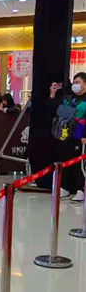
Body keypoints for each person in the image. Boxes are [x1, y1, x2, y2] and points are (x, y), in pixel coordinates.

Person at [50, 72, 86, 201]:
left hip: (79, 135)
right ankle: (64, 187)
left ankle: (80, 189)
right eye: (74, 82)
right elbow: (56, 111)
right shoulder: (68, 98)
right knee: (64, 160)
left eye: (78, 82)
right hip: (64, 133)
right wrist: (52, 95)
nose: (75, 85)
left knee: (77, 163)